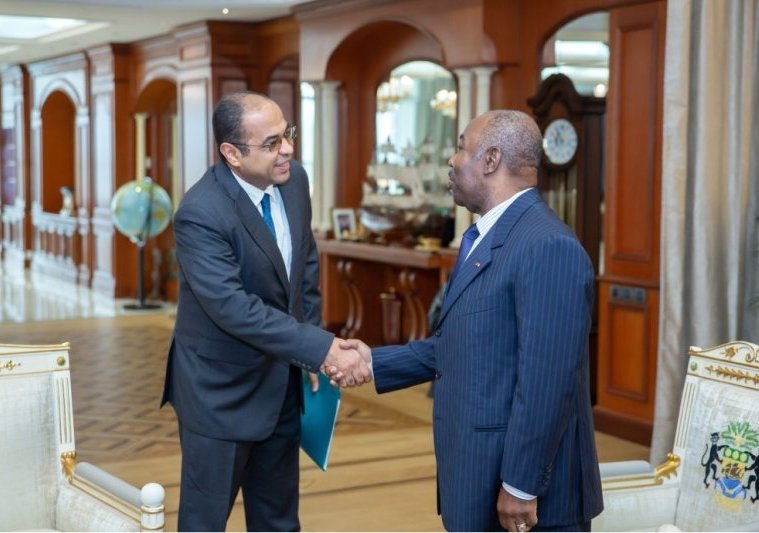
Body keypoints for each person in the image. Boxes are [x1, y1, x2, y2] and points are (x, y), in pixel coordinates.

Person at [332, 110, 603, 532]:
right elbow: (466, 342)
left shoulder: (547, 245)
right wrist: (372, 362)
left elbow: (547, 381)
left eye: (460, 148)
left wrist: (521, 484)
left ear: (491, 160)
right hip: (478, 474)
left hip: (523, 493)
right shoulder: (488, 237)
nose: (451, 159)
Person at [161, 91, 371, 532]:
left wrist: (309, 352)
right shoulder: (200, 213)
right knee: (204, 523)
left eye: (287, 134)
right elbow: (234, 308)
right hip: (220, 394)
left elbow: (305, 268)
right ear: (232, 153)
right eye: (272, 143)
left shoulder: (294, 182)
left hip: (282, 385)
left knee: (278, 521)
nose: (288, 149)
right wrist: (321, 348)